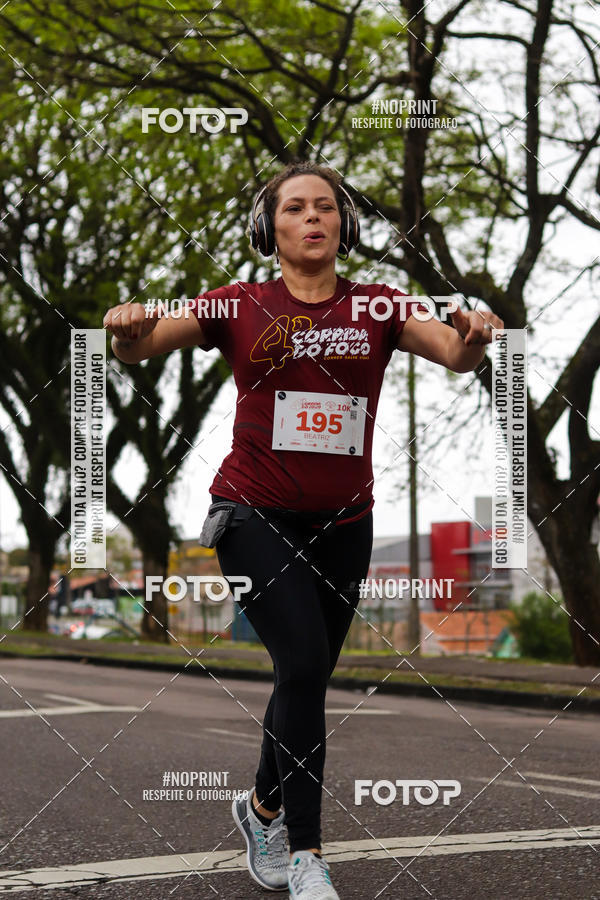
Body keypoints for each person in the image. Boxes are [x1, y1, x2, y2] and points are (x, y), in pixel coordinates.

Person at [104, 161, 503, 899]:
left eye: (327, 208)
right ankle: (307, 855)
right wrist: (125, 331)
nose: (313, 217)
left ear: (344, 227)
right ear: (270, 229)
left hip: (347, 523)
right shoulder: (238, 304)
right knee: (307, 662)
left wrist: (474, 332)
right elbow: (144, 345)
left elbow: (454, 355)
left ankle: (260, 808)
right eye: (295, 208)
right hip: (252, 512)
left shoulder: (380, 309)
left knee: (305, 674)